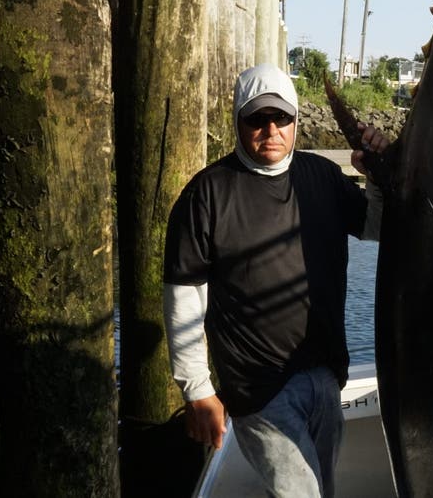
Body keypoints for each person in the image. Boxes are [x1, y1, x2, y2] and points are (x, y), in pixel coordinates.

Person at [163, 62, 388, 498]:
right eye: (257, 118)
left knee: (320, 487)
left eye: (281, 117)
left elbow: (376, 226)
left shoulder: (321, 176)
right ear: (237, 120)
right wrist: (197, 391)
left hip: (324, 376)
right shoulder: (206, 195)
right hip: (257, 390)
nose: (271, 129)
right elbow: (183, 297)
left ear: (296, 120)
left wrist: (378, 176)